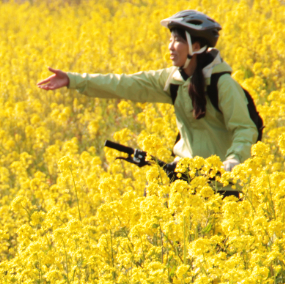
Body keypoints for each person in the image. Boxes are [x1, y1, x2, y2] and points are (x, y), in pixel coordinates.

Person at [37, 10, 257, 175]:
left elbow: (245, 129)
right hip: (186, 179)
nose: (170, 46)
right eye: (170, 39)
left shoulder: (223, 84)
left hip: (221, 185)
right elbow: (124, 84)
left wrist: (232, 162)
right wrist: (73, 80)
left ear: (197, 46)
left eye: (178, 40)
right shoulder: (172, 80)